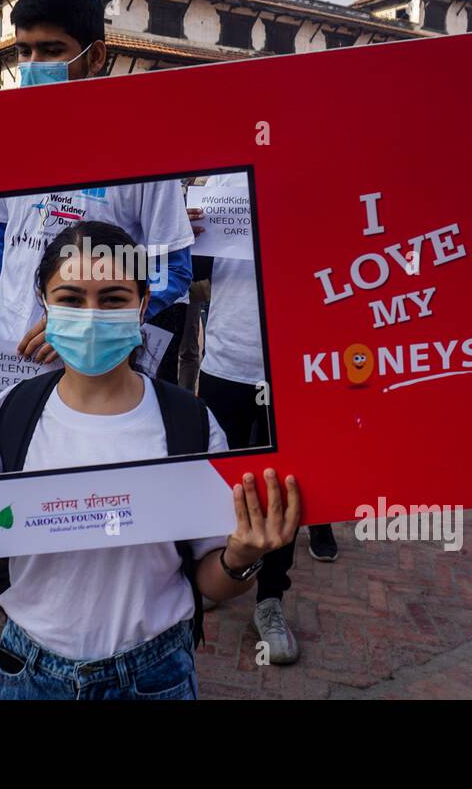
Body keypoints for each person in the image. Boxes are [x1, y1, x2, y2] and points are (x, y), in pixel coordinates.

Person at [0, 221, 301, 700]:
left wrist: (243, 556)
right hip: (29, 672)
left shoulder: (190, 424)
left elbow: (213, 580)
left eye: (113, 299)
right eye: (71, 299)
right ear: (44, 304)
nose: (91, 317)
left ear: (142, 305)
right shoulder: (8, 415)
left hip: (155, 673)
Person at [0, 0, 194, 427]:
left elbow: (171, 269)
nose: (33, 65)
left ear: (95, 56)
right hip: (0, 372)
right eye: (24, 52)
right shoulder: (4, 145)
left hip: (94, 383)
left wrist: (82, 321)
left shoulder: (142, 150)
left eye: (51, 51)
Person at [189, 173, 332, 666]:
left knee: (286, 487)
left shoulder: (311, 176)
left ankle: (271, 599)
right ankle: (214, 576)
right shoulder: (219, 182)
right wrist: (185, 235)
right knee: (216, 481)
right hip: (227, 360)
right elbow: (194, 271)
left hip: (294, 367)